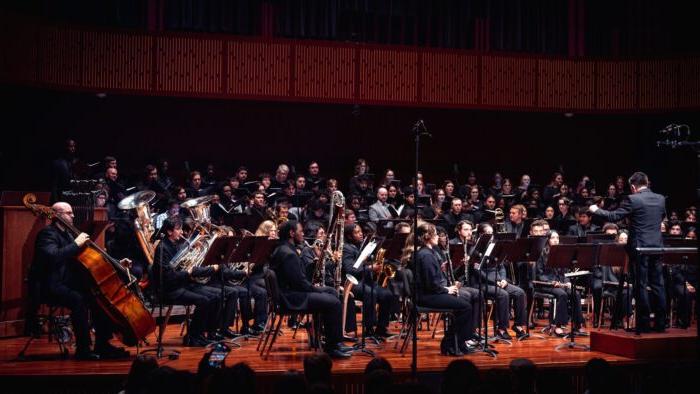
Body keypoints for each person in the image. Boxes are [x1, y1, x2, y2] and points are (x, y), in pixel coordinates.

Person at [29, 202, 130, 360]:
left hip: (66, 282)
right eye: (69, 213)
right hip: (50, 285)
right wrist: (76, 243)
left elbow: (91, 255)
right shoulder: (47, 234)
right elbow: (53, 257)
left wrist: (116, 262)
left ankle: (102, 344)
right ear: (56, 214)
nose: (73, 215)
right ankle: (83, 349)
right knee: (78, 300)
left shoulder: (68, 233)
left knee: (98, 297)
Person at [589, 172, 667, 332]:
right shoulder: (660, 199)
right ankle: (661, 323)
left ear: (633, 187)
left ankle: (643, 323)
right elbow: (661, 218)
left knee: (641, 285)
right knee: (658, 285)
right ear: (647, 182)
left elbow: (613, 216)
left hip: (639, 249)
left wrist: (595, 209)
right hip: (657, 247)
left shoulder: (633, 199)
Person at [270, 220, 353, 358]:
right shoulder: (288, 253)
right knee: (333, 302)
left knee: (332, 292)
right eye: (300, 231)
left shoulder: (283, 248)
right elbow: (300, 284)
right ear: (291, 233)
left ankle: (333, 342)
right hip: (292, 298)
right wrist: (317, 289)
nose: (303, 234)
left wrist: (320, 289)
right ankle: (332, 347)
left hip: (290, 294)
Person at [152, 218, 221, 346]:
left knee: (216, 296)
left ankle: (207, 333)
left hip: (183, 284)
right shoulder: (162, 248)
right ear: (169, 231)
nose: (182, 232)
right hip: (170, 290)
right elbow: (167, 276)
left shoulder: (177, 245)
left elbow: (186, 266)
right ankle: (192, 337)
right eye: (178, 229)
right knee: (204, 300)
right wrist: (187, 273)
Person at [413, 223, 474, 356]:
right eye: (434, 234)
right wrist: (447, 290)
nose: (437, 236)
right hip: (427, 296)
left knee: (464, 300)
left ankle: (459, 342)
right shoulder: (426, 255)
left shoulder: (429, 252)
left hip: (430, 293)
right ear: (427, 236)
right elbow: (431, 285)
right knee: (465, 307)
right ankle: (449, 342)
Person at [535, 230, 585, 337]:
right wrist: (551, 282)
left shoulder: (562, 253)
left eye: (557, 238)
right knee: (562, 294)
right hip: (545, 284)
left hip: (560, 284)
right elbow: (539, 274)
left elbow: (565, 272)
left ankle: (577, 324)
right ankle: (558, 325)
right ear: (548, 240)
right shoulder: (541, 254)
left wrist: (567, 282)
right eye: (553, 238)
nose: (556, 240)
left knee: (575, 293)